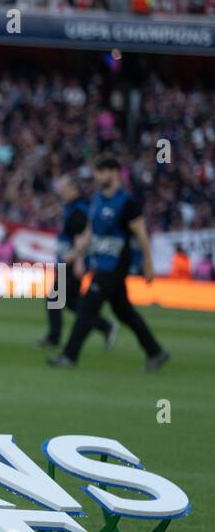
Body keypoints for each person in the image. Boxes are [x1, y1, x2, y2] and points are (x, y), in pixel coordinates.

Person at [50, 155, 169, 372]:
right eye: (96, 172)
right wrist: (76, 254)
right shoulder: (96, 200)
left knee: (87, 307)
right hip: (101, 263)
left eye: (101, 171)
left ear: (114, 172)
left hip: (114, 266)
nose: (97, 176)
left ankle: (69, 356)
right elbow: (89, 233)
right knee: (124, 312)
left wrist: (148, 265)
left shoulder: (126, 202)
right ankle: (156, 352)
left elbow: (141, 234)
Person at [37, 175, 114, 350]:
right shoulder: (74, 207)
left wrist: (78, 260)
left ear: (74, 190)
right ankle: (104, 326)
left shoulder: (78, 210)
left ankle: (53, 338)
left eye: (64, 188)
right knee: (71, 302)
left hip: (73, 262)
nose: (61, 192)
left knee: (54, 298)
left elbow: (81, 237)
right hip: (71, 260)